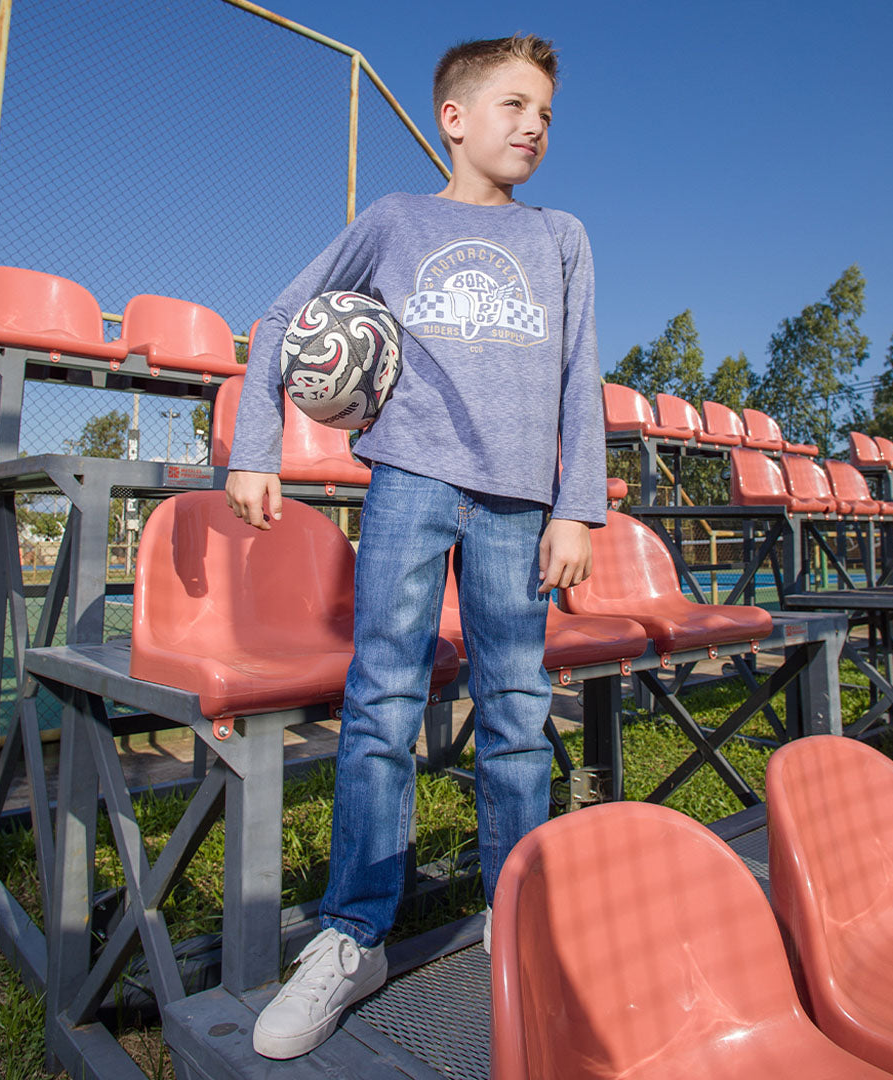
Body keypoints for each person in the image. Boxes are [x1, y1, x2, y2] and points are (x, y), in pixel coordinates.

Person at [225, 32, 607, 1060]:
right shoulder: (395, 221)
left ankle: (519, 922)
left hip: (521, 504)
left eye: (546, 114)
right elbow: (277, 316)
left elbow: (581, 375)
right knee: (383, 702)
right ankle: (354, 935)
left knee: (519, 713)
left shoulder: (561, 235)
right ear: (455, 116)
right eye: (515, 105)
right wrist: (252, 449)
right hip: (408, 483)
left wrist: (579, 505)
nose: (534, 125)